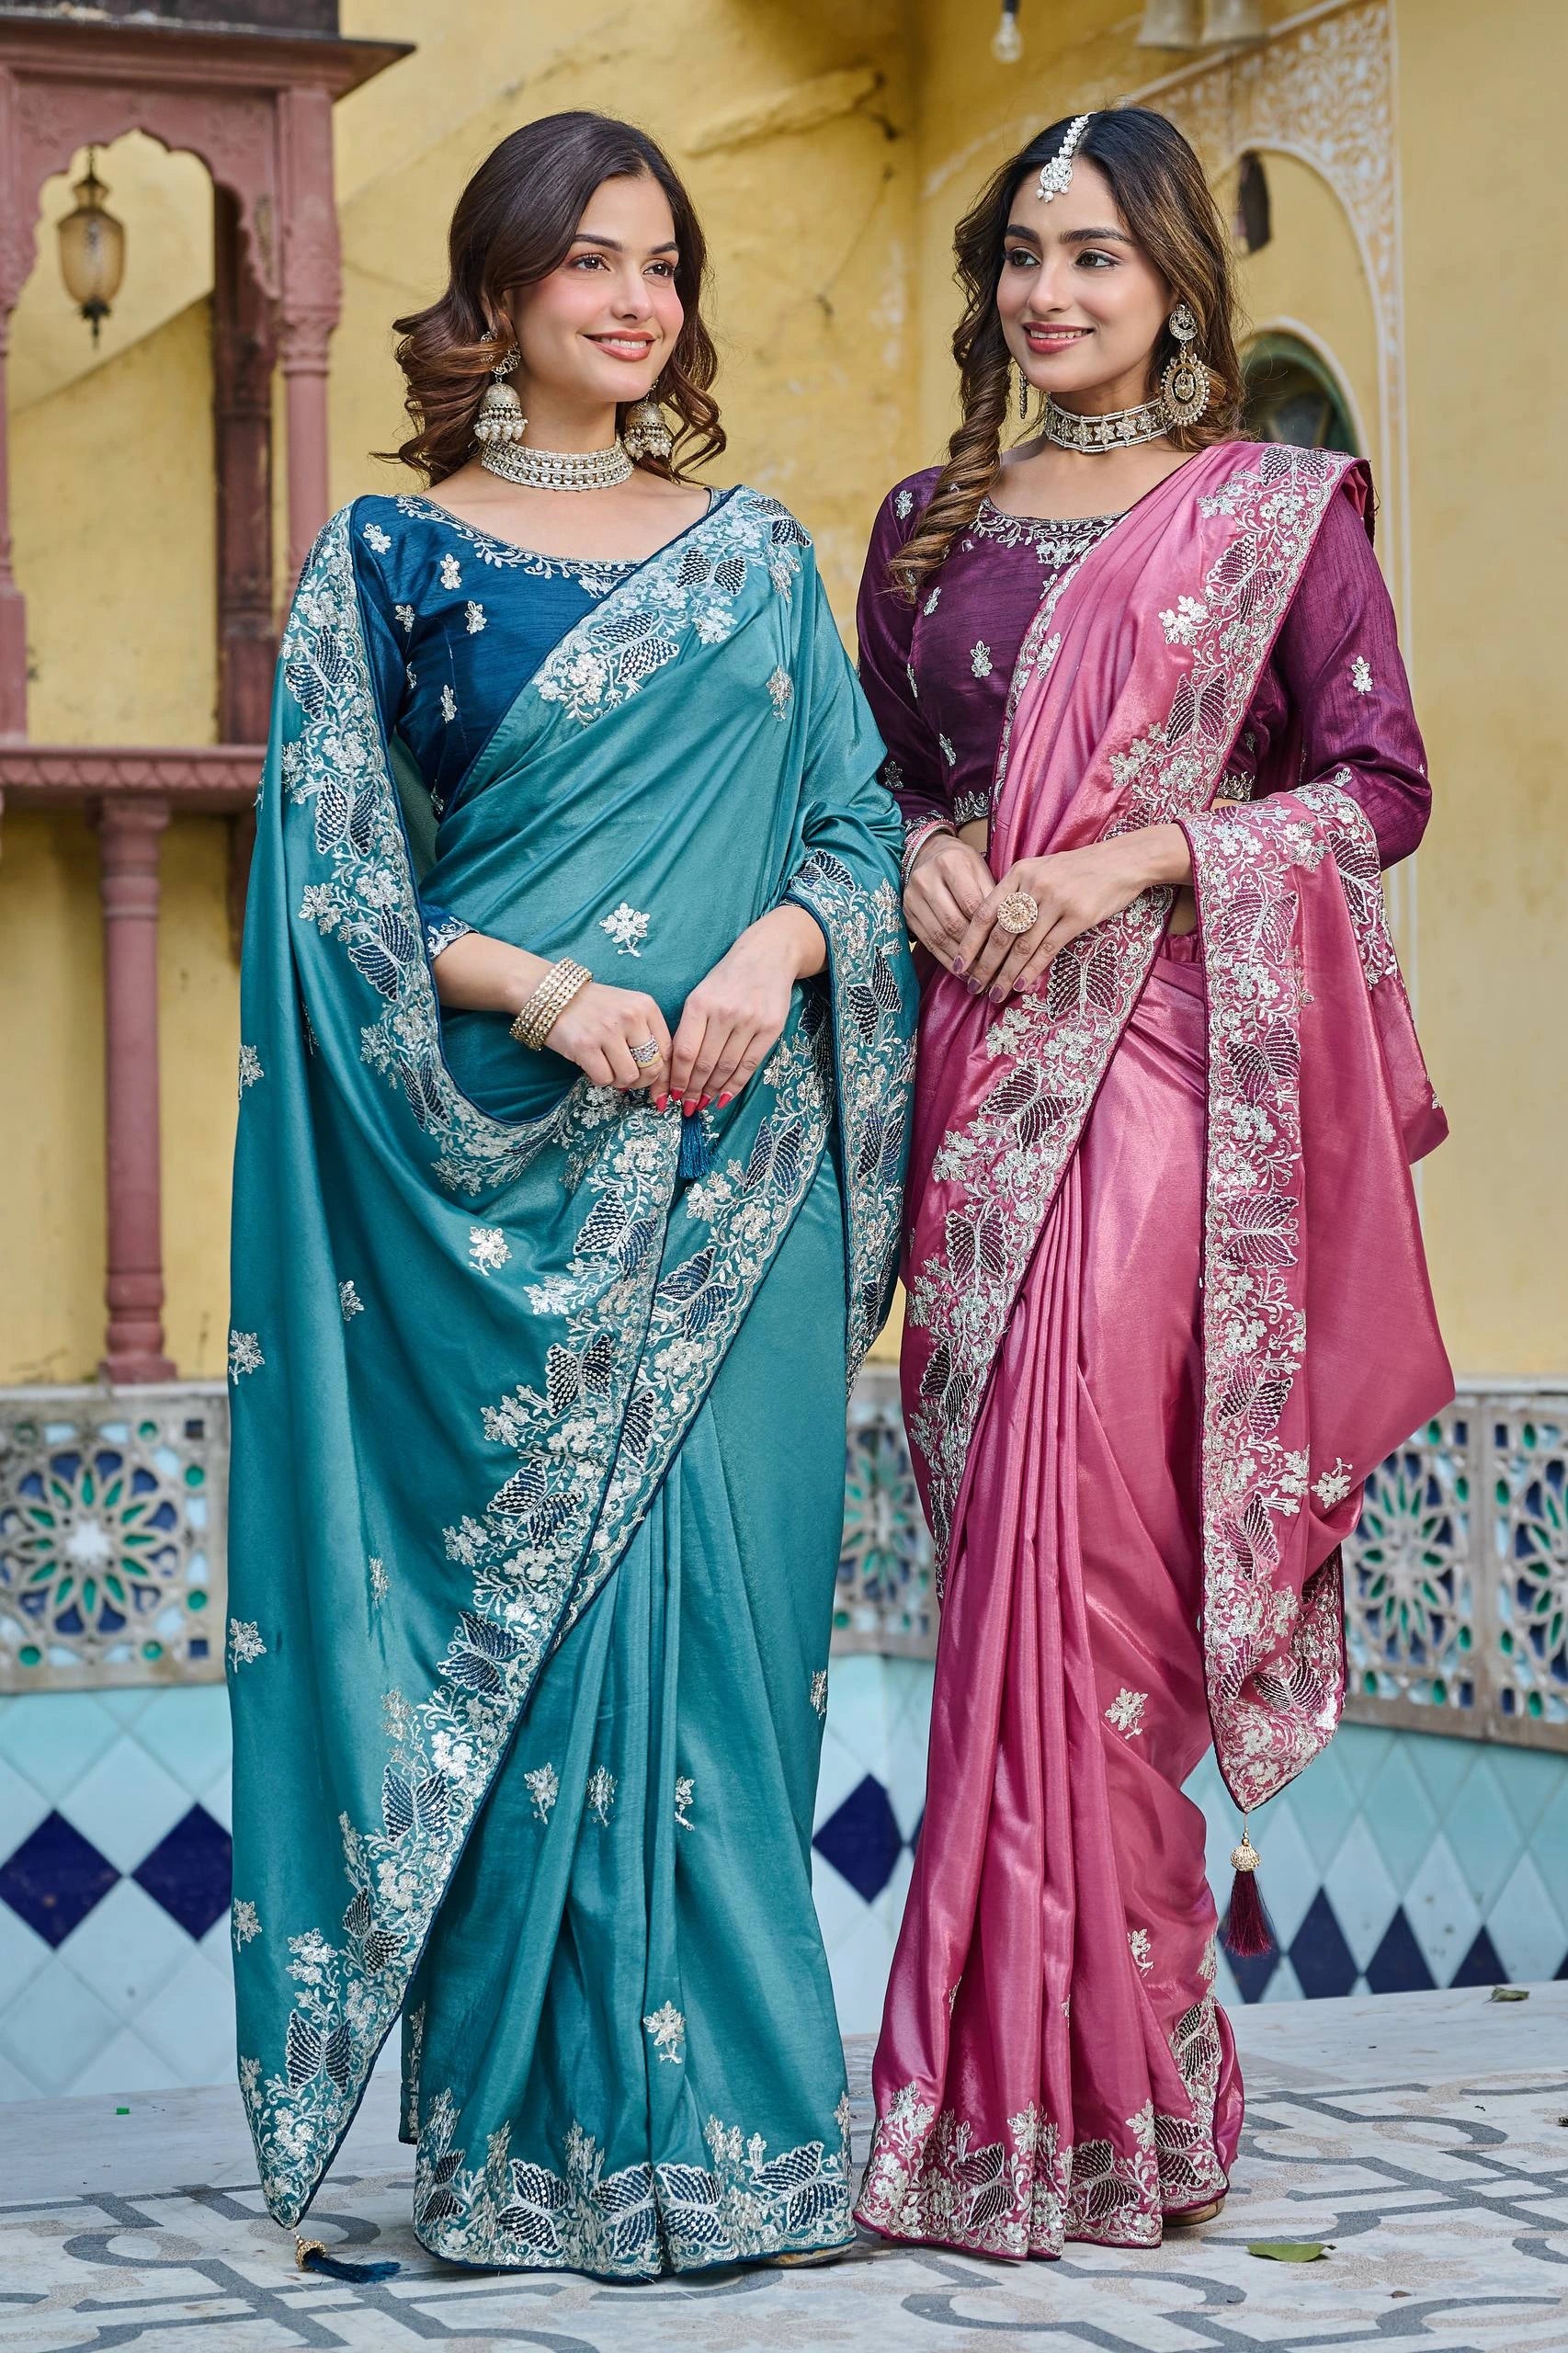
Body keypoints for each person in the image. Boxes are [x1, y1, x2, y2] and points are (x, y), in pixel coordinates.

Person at [226, 109, 915, 2279]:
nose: (638, 301)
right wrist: (549, 986)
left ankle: (744, 2147)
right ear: (503, 288)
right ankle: (519, 2154)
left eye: (664, 264)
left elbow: (861, 845)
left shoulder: (759, 558)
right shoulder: (383, 564)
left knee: (722, 1648)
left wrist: (755, 958)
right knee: (522, 1677)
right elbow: (341, 901)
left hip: (741, 1173)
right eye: (594, 262)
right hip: (496, 1201)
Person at [851, 107, 1451, 2257]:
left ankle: (1123, 2093)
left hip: (1165, 1081)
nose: (1051, 297)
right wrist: (927, 863)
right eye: (1023, 256)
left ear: (1176, 281)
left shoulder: (1273, 517)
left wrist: (1136, 850)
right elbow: (894, 788)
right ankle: (983, 2107)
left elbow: (1375, 788)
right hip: (973, 1071)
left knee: (1094, 1579)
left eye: (1095, 258)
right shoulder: (921, 527)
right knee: (994, 1591)